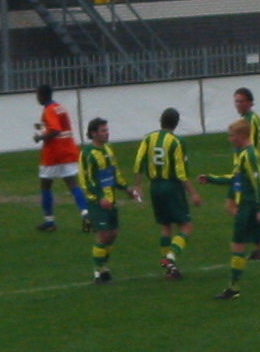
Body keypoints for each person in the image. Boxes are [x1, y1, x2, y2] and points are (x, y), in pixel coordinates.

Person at [198, 119, 260, 299]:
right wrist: (211, 179)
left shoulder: (249, 155)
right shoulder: (245, 154)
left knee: (238, 245)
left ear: (242, 136)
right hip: (251, 206)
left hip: (249, 207)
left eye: (232, 135)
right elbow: (236, 178)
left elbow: (259, 182)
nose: (229, 139)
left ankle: (234, 288)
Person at [133, 107, 203, 280]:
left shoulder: (148, 138)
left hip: (155, 187)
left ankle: (170, 271)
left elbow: (138, 162)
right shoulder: (176, 142)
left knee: (165, 226)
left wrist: (138, 186)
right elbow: (181, 173)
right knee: (186, 226)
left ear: (161, 120)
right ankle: (170, 256)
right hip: (171, 187)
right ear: (177, 123)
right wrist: (193, 193)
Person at [78, 117, 141, 285]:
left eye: (107, 130)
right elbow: (86, 180)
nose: (107, 133)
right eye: (103, 130)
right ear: (93, 133)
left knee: (113, 233)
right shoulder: (87, 154)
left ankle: (103, 266)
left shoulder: (108, 149)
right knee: (103, 234)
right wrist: (99, 198)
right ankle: (99, 272)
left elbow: (114, 173)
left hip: (110, 200)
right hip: (97, 201)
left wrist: (126, 188)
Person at [34, 84, 90, 233]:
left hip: (54, 153)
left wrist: (40, 136)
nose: (37, 98)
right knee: (73, 185)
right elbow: (59, 127)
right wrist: (42, 127)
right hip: (68, 150)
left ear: (42, 95)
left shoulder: (49, 109)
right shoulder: (60, 107)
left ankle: (49, 221)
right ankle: (86, 214)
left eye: (37, 95)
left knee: (45, 186)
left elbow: (55, 129)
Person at [234, 87, 260, 166]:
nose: (238, 105)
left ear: (250, 102)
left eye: (241, 102)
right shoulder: (255, 117)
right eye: (236, 102)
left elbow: (249, 143)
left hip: (252, 163)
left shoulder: (248, 120)